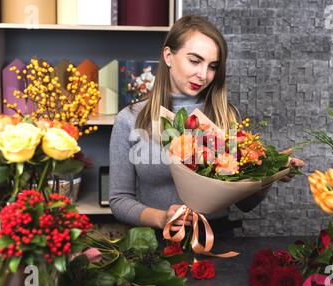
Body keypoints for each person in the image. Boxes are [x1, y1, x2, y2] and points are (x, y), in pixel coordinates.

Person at [109, 16, 304, 234]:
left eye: (212, 66)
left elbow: (245, 205)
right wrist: (161, 218)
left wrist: (271, 173)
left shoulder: (225, 115)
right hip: (156, 244)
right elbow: (119, 200)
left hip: (218, 240)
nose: (203, 75)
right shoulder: (131, 119)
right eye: (194, 61)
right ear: (168, 56)